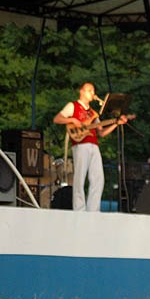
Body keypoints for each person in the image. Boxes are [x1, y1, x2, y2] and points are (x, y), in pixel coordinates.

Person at [53, 82, 127, 212]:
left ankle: (93, 209)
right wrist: (72, 120)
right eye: (89, 90)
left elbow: (101, 132)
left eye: (93, 91)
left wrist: (116, 123)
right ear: (81, 91)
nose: (92, 93)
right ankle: (79, 209)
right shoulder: (73, 106)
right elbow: (57, 119)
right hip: (80, 144)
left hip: (94, 145)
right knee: (80, 177)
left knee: (98, 178)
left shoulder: (93, 113)